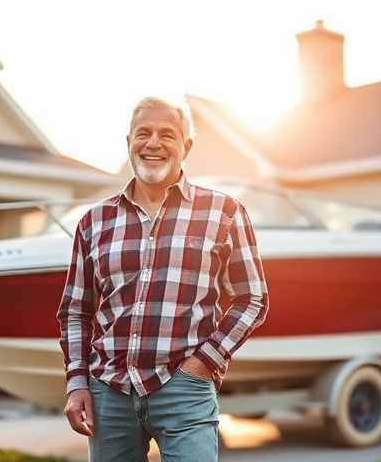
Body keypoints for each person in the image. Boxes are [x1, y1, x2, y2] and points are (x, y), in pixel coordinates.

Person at [56, 95, 269, 461]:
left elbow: (253, 299)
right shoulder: (94, 222)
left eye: (167, 134)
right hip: (110, 392)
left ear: (186, 147)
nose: (153, 143)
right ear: (128, 144)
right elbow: (76, 310)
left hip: (184, 388)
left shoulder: (224, 212)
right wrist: (77, 383)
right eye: (143, 133)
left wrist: (203, 363)